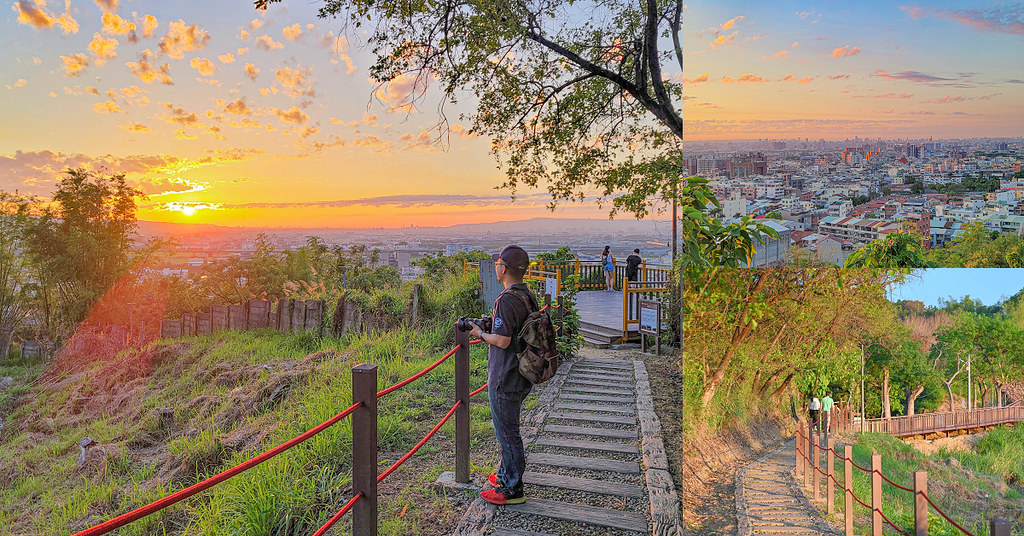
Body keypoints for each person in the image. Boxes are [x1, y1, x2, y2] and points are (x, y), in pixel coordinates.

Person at [468, 245, 536, 506]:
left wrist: (480, 333)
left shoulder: (506, 299)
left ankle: (512, 488)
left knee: (507, 433)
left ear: (503, 268)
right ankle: (506, 474)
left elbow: (503, 340)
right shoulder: (526, 295)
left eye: (498, 263)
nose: (496, 266)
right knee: (509, 429)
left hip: (505, 376)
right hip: (521, 373)